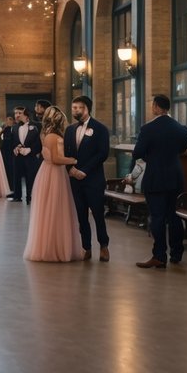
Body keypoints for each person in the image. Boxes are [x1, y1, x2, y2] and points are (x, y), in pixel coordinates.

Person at [132, 95, 187, 269]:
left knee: (157, 216)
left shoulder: (148, 129)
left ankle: (159, 256)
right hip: (175, 177)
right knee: (174, 216)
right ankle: (177, 253)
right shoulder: (181, 129)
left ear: (156, 107)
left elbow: (137, 152)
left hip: (156, 177)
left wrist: (152, 157)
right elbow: (183, 149)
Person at [23, 105, 83, 262]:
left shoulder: (47, 135)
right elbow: (56, 159)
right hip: (54, 174)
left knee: (53, 210)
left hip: (49, 172)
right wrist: (75, 160)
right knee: (55, 210)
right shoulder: (53, 137)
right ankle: (54, 248)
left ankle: (55, 245)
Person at [64, 95, 111, 262]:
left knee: (98, 214)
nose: (75, 110)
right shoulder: (69, 130)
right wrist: (71, 169)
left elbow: (103, 153)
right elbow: (66, 154)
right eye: (74, 107)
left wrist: (85, 170)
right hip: (75, 179)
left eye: (79, 107)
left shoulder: (100, 129)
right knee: (81, 215)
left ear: (87, 109)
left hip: (93, 179)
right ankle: (86, 247)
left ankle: (104, 246)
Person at [11, 106, 43, 204]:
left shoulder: (37, 126)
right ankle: (17, 196)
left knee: (31, 177)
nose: (17, 115)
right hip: (18, 157)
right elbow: (13, 142)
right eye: (16, 113)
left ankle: (30, 196)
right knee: (17, 176)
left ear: (26, 114)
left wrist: (30, 150)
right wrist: (15, 148)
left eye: (20, 113)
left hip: (31, 156)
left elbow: (40, 142)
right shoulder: (15, 127)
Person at [0, 113, 17, 199]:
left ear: (13, 121)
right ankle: (6, 186)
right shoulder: (5, 129)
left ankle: (12, 187)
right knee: (5, 167)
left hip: (11, 150)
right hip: (5, 150)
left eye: (10, 120)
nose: (8, 121)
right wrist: (2, 130)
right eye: (7, 120)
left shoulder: (15, 129)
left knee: (11, 168)